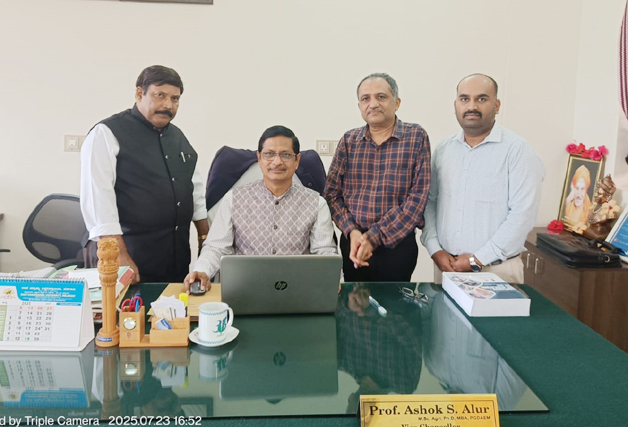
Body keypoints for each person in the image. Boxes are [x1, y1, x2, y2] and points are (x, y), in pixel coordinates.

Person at [80, 65, 209, 284]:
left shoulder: (178, 137)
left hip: (174, 257)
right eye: (160, 95)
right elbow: (98, 199)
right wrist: (120, 255)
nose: (168, 105)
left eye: (175, 99)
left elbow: (193, 189)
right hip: (127, 256)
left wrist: (205, 238)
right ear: (140, 94)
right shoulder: (107, 133)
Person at [420, 73, 545, 284]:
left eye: (481, 99)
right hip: (446, 267)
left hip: (496, 271)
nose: (472, 106)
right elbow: (430, 202)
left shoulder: (517, 151)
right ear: (455, 105)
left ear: (496, 105)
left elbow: (522, 215)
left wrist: (477, 259)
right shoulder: (444, 149)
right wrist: (434, 249)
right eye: (464, 99)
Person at [184, 125, 337, 292]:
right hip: (245, 289)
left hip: (298, 290)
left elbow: (324, 251)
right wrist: (202, 270)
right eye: (269, 154)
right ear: (259, 158)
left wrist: (330, 275)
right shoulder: (233, 199)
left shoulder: (316, 203)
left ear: (297, 161)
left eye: (286, 155)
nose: (277, 162)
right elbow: (216, 247)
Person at [324, 73, 431, 282]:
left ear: (396, 102)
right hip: (354, 244)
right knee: (355, 300)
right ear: (359, 106)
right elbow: (331, 194)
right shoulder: (349, 141)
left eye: (381, 97)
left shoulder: (416, 137)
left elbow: (418, 198)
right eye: (366, 99)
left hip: (397, 244)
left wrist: (374, 237)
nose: (373, 104)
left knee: (394, 302)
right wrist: (352, 231)